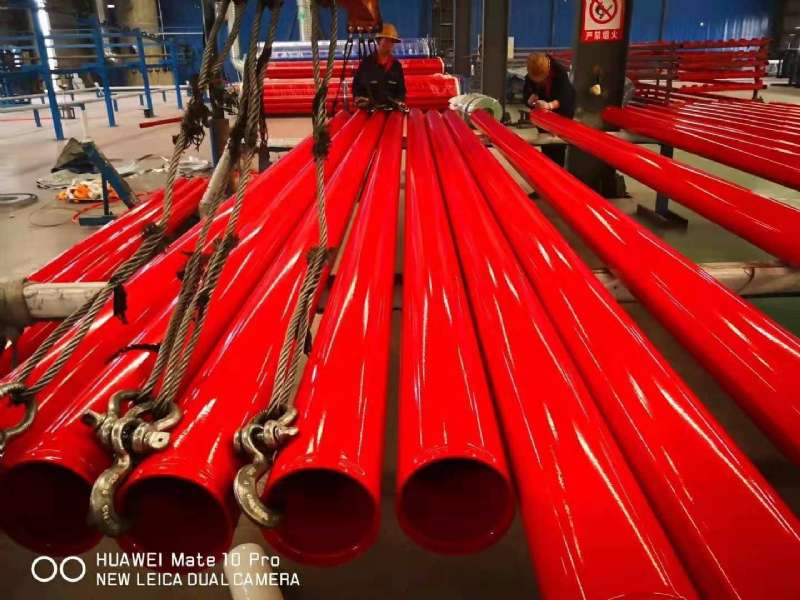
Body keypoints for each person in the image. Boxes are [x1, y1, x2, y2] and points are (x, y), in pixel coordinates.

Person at [523, 52, 576, 166]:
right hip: (543, 118)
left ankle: (557, 171)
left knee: (557, 148)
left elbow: (565, 98)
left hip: (561, 115)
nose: (538, 83)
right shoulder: (531, 72)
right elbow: (526, 94)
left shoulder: (560, 74)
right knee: (546, 147)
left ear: (546, 72)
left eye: (541, 79)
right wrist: (529, 100)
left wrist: (549, 105)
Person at [352, 23, 408, 112]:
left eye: (392, 41)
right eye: (386, 41)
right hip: (369, 112)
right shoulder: (366, 64)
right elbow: (357, 88)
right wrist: (361, 99)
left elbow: (401, 91)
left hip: (391, 112)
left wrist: (399, 102)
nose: (390, 45)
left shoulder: (396, 66)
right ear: (378, 41)